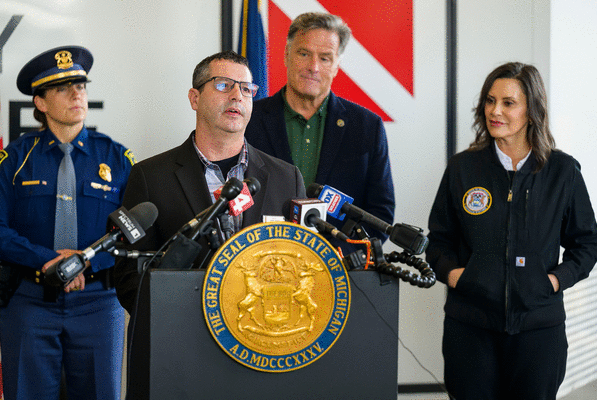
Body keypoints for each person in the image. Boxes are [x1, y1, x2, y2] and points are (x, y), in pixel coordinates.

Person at [426, 62, 597, 399]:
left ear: (531, 111)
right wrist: (458, 277)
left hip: (539, 330)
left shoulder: (562, 171)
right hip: (470, 328)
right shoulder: (463, 167)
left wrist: (553, 281)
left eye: (508, 103)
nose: (495, 111)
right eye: (490, 101)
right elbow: (438, 242)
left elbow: (588, 243)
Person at [113, 50, 306, 315]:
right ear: (195, 98)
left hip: (263, 328)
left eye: (246, 89)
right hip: (185, 330)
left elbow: (302, 265)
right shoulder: (150, 177)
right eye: (223, 85)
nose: (237, 95)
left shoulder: (286, 178)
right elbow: (129, 279)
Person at [0, 46, 135, 400]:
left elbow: (134, 232)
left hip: (98, 302)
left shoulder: (118, 158)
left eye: (81, 86)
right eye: (63, 89)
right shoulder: (13, 159)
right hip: (29, 303)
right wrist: (48, 260)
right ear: (40, 103)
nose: (77, 94)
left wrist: (86, 261)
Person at [245, 12, 394, 254]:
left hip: (338, 266)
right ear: (286, 55)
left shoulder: (367, 127)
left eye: (325, 58)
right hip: (261, 260)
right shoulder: (248, 120)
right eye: (304, 54)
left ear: (336, 65)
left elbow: (379, 213)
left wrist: (334, 256)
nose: (313, 67)